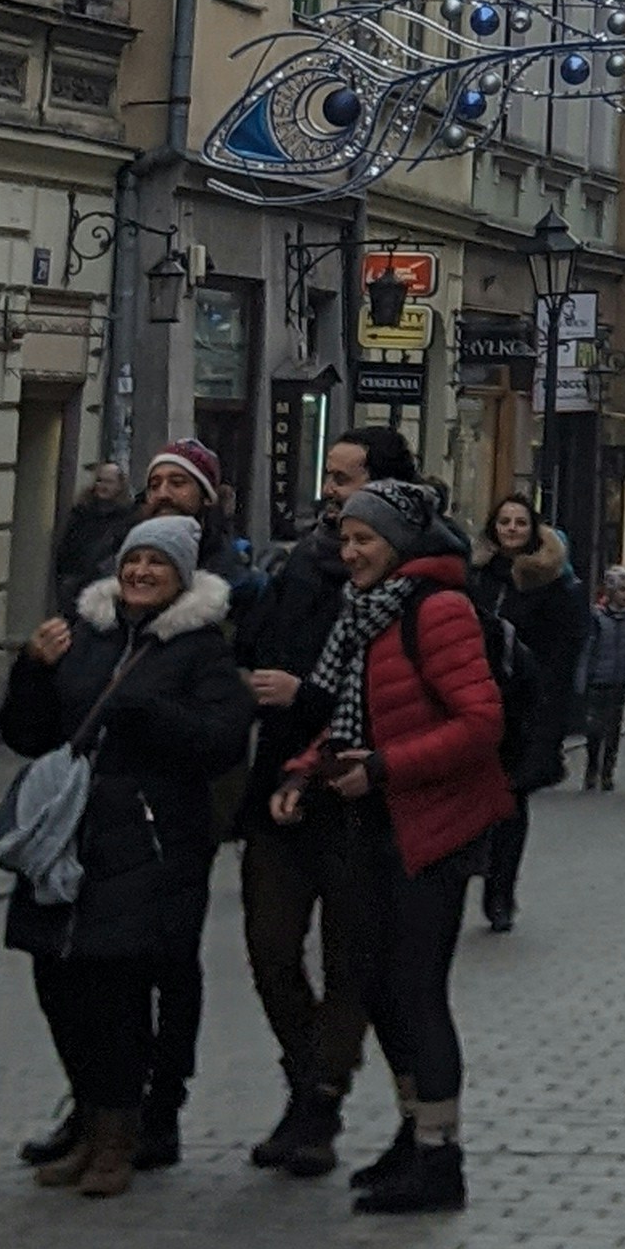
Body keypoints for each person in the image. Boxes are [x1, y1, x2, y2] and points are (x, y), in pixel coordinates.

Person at [270, 474, 513, 1214]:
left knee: (416, 992)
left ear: (399, 542)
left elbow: (480, 722)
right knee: (379, 990)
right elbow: (357, 714)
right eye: (345, 538)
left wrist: (383, 769)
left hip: (431, 829)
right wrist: (304, 770)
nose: (350, 552)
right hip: (375, 825)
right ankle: (414, 1136)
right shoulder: (367, 614)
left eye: (364, 538)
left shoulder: (435, 611)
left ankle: (440, 1157)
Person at [0, 515, 253, 1199]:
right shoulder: (83, 633)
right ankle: (87, 1123)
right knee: (58, 982)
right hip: (70, 836)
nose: (141, 573)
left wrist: (153, 716)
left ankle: (119, 1137)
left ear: (182, 577)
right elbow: (28, 734)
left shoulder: (202, 648)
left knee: (113, 989)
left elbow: (225, 739)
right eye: (133, 561)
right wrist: (32, 670)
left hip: (149, 839)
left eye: (157, 564)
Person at [225, 425, 413, 1182]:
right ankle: (308, 1079)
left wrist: (307, 693)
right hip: (283, 785)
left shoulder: (409, 583)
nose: (331, 492)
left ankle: (320, 1100)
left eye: (346, 479)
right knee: (270, 948)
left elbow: (397, 693)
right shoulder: (300, 563)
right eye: (329, 477)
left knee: (349, 959)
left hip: (359, 795)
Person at [471, 494, 588, 931]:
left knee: (510, 801)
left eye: (520, 522)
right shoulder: (478, 577)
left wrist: (552, 719)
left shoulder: (551, 583)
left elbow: (564, 655)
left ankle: (500, 892)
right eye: (505, 522)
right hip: (475, 702)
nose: (512, 529)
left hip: (523, 709)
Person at [133, 438, 249, 587]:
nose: (163, 494)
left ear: (207, 496)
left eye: (177, 483)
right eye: (154, 486)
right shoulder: (118, 567)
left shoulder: (238, 582)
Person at [579, 567, 625, 788]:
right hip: (598, 678)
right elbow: (588, 648)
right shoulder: (597, 617)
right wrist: (582, 677)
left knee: (614, 726)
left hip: (620, 678)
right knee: (595, 726)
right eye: (622, 590)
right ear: (611, 591)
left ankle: (608, 770)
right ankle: (592, 766)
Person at [49, 459, 136, 612]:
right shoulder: (81, 513)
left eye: (108, 482)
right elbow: (65, 551)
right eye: (99, 480)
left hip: (106, 590)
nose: (102, 486)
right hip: (75, 587)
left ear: (120, 485)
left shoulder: (127, 518)